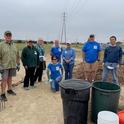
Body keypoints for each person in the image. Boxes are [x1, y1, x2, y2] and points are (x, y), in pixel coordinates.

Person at [0, 31, 20, 101]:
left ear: (11, 36)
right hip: (4, 66)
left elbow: (17, 55)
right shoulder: (1, 45)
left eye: (9, 35)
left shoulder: (14, 45)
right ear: (4, 36)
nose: (8, 37)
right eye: (7, 35)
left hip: (12, 65)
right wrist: (0, 66)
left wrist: (18, 64)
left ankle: (9, 90)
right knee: (4, 80)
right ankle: (2, 94)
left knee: (10, 78)